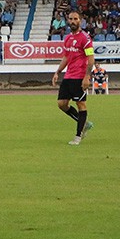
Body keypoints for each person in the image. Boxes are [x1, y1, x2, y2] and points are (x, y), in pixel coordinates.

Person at [51, 10, 95, 146]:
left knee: (81, 104)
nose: (73, 21)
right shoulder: (68, 38)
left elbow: (91, 59)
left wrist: (87, 77)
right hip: (69, 76)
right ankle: (84, 124)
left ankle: (78, 136)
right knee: (61, 104)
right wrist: (58, 71)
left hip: (79, 77)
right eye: (70, 19)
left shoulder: (85, 38)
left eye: (75, 19)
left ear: (80, 20)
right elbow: (66, 57)